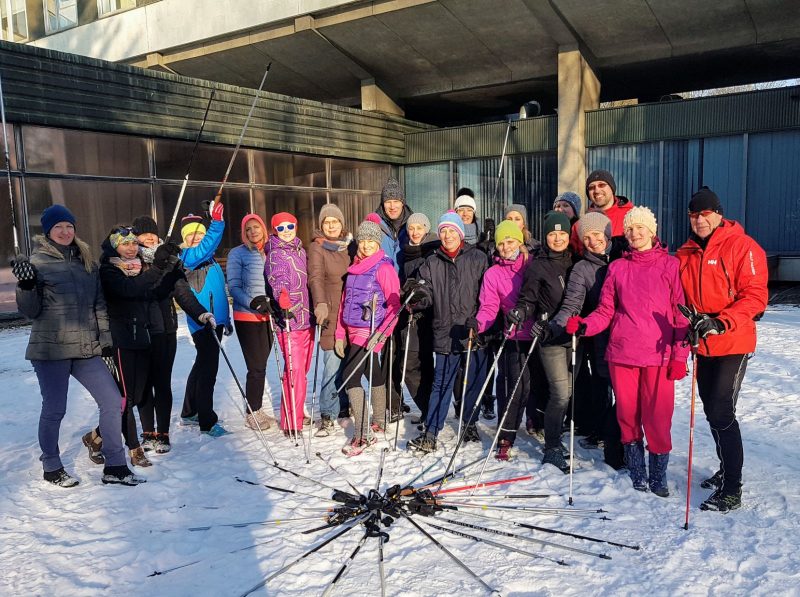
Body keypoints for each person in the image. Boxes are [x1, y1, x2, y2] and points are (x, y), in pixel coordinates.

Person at [13, 204, 143, 486]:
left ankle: (115, 465)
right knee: (55, 409)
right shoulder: (37, 263)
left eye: (69, 226)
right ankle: (51, 465)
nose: (65, 231)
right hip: (51, 349)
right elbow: (30, 312)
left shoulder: (87, 262)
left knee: (113, 401)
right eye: (58, 227)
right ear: (48, 232)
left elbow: (99, 305)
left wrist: (105, 341)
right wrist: (25, 285)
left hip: (86, 348)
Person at [567, 206, 689, 496]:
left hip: (659, 355)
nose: (634, 234)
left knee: (658, 418)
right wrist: (584, 325)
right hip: (623, 354)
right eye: (630, 229)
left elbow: (680, 314)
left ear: (652, 231)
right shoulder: (618, 268)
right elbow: (606, 310)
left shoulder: (670, 265)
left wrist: (679, 355)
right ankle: (637, 471)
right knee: (627, 416)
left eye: (640, 228)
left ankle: (658, 475)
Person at [676, 187, 768, 512]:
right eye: (693, 215)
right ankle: (725, 468)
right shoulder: (685, 252)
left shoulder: (742, 246)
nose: (699, 220)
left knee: (721, 410)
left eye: (705, 214)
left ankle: (732, 488)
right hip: (702, 342)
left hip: (733, 339)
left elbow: (755, 296)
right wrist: (685, 317)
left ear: (718, 214)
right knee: (710, 409)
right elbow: (678, 295)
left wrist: (721, 321)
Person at [406, 211, 489, 453]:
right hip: (445, 333)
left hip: (473, 332)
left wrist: (481, 322)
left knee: (472, 383)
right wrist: (417, 296)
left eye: (452, 230)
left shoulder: (478, 258)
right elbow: (426, 293)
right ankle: (431, 433)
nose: (448, 235)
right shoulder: (432, 262)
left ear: (460, 233)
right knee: (441, 384)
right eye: (443, 231)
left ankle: (469, 423)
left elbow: (488, 295)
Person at [131, 215, 210, 455]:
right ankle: (148, 432)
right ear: (136, 237)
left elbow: (183, 293)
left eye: (152, 233)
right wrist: (157, 265)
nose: (149, 237)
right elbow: (138, 291)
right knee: (144, 384)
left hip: (165, 330)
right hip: (141, 331)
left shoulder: (171, 260)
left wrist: (200, 313)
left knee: (162, 382)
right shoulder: (130, 260)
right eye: (144, 234)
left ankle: (163, 432)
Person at [551, 211, 623, 469]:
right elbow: (571, 304)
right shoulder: (582, 268)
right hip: (601, 337)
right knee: (607, 389)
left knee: (628, 398)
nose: (593, 241)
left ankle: (624, 441)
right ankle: (610, 443)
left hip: (631, 338)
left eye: (597, 234)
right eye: (586, 237)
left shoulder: (625, 256)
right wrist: (556, 325)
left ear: (607, 232)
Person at [98, 225, 170, 468]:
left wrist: (166, 264)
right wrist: (157, 267)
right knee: (126, 398)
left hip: (143, 337)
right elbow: (129, 290)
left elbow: (153, 291)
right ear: (114, 246)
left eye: (133, 243)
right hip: (121, 340)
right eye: (124, 244)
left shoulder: (141, 267)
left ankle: (96, 436)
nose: (131, 248)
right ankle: (133, 448)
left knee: (139, 395)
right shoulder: (109, 269)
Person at [508, 211, 575, 472]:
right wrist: (520, 312)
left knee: (568, 392)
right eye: (552, 234)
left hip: (576, 337)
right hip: (550, 336)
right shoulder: (538, 265)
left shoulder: (575, 262)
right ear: (545, 236)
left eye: (562, 233)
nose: (557, 238)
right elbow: (528, 299)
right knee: (560, 393)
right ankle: (552, 447)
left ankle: (555, 434)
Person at [334, 220, 401, 456]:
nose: (366, 245)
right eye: (362, 241)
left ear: (378, 243)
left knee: (350, 377)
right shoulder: (354, 268)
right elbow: (344, 303)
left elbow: (395, 306)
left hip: (370, 330)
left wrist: (382, 334)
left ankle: (363, 434)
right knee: (374, 371)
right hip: (352, 330)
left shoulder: (384, 268)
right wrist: (340, 333)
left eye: (371, 241)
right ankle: (380, 420)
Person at [473, 220, 535, 461]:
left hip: (538, 334)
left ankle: (536, 420)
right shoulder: (493, 273)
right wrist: (478, 324)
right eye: (501, 243)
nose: (506, 247)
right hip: (512, 335)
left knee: (534, 386)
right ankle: (505, 435)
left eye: (510, 241)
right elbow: (489, 306)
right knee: (514, 387)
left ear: (519, 241)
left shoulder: (532, 265)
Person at [179, 205, 231, 437]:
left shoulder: (209, 260)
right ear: (184, 238)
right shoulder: (187, 257)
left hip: (215, 321)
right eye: (192, 234)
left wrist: (225, 320)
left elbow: (218, 293)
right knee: (208, 371)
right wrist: (217, 223)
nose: (197, 238)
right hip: (202, 322)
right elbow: (204, 247)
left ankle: (189, 411)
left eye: (200, 233)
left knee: (201, 365)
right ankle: (206, 421)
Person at [307, 204, 355, 436]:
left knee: (348, 364)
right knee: (332, 365)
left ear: (341, 223)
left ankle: (344, 406)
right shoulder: (317, 247)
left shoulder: (350, 246)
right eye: (327, 222)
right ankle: (327, 413)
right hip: (330, 313)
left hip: (351, 313)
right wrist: (320, 303)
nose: (331, 226)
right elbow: (315, 277)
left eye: (335, 221)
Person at [265, 211, 314, 437]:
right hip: (289, 319)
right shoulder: (275, 254)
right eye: (281, 228)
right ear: (275, 231)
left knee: (302, 370)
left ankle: (297, 410)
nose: (286, 231)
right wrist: (282, 295)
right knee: (295, 371)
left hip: (307, 318)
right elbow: (277, 278)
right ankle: (292, 422)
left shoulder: (301, 250)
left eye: (290, 226)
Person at [226, 213, 277, 431]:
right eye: (248, 229)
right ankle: (252, 412)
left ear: (264, 229)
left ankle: (257, 408)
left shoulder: (272, 251)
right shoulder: (238, 253)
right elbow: (233, 286)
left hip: (269, 315)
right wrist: (253, 302)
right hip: (247, 316)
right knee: (255, 366)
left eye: (256, 227)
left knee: (262, 364)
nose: (252, 231)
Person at [395, 212, 439, 426]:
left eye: (419, 228)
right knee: (412, 365)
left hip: (428, 315)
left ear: (426, 229)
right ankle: (427, 409)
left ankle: (430, 411)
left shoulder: (432, 252)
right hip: (411, 314)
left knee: (420, 364)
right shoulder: (405, 253)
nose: (414, 232)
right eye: (411, 228)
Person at [569, 170, 634, 258]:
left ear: (612, 188)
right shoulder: (580, 225)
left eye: (602, 185)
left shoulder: (631, 216)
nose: (597, 190)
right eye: (591, 187)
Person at [376, 177, 412, 270]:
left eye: (396, 201)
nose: (392, 207)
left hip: (407, 278)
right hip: (382, 277)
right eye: (388, 202)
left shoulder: (413, 225)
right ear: (383, 204)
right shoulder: (374, 225)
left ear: (402, 203)